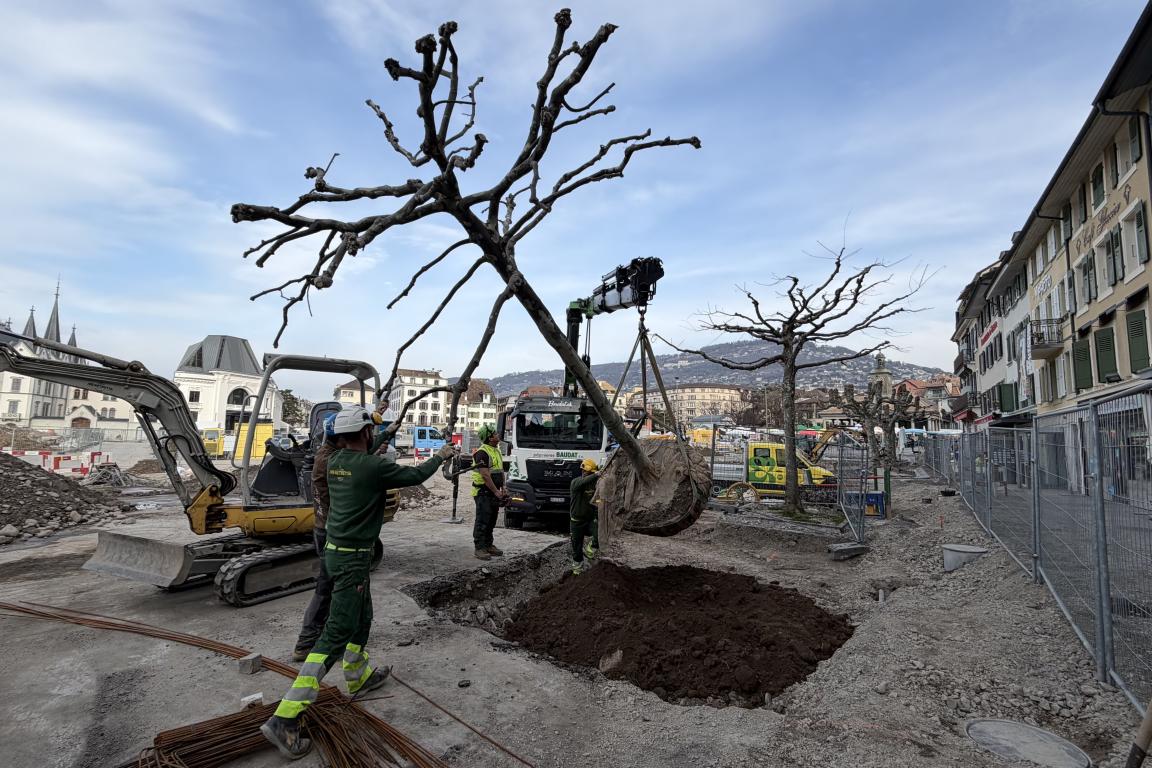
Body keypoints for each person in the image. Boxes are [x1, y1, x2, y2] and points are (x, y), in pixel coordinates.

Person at [261, 405, 457, 760]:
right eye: (372, 432)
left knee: (362, 617)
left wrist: (386, 429)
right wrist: (441, 454)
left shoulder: (335, 459)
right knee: (337, 631)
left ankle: (358, 675)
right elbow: (414, 477)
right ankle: (286, 716)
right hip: (351, 556)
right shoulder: (373, 466)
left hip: (339, 551)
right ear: (365, 434)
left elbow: (365, 448)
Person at [471, 424, 508, 560]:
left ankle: (488, 545)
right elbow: (485, 476)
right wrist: (496, 492)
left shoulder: (495, 450)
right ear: (490, 437)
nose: (498, 435)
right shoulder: (482, 453)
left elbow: (499, 470)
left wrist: (503, 487)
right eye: (495, 434)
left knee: (491, 519)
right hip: (483, 492)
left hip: (493, 491)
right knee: (482, 520)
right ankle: (479, 548)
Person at [569, 458, 601, 575]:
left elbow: (597, 501)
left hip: (590, 519)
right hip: (576, 521)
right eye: (583, 470)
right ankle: (577, 570)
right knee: (576, 548)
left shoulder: (594, 485)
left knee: (598, 537)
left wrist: (597, 515)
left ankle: (589, 552)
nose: (584, 472)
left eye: (587, 471)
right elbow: (582, 482)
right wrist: (596, 475)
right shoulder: (576, 483)